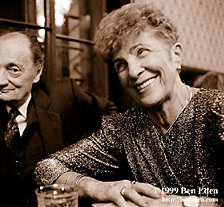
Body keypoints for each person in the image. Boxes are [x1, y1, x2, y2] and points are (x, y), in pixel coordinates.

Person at [34, 3, 223, 207]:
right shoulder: (123, 129)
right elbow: (46, 168)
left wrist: (179, 204)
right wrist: (99, 188)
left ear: (176, 55)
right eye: (121, 64)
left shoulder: (217, 111)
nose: (132, 72)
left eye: (142, 51)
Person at [0, 31, 117, 206]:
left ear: (37, 73)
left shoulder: (65, 95)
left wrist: (88, 165)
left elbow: (112, 117)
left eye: (13, 70)